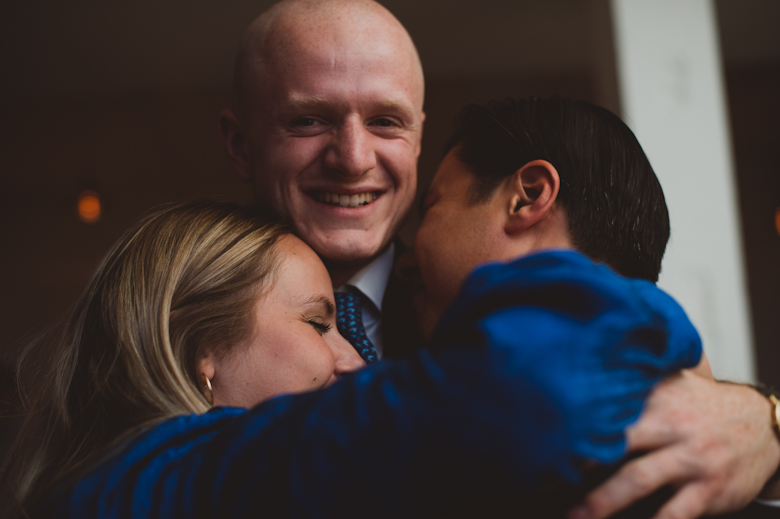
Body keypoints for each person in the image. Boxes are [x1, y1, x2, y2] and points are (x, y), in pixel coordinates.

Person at [218, 1, 780, 516]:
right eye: (308, 120)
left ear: (416, 139)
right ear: (240, 144)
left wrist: (763, 419)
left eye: (386, 121)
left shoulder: (474, 309)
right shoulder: (173, 306)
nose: (353, 158)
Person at [0, 200, 699, 519]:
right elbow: (537, 383)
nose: (354, 361)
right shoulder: (178, 475)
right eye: (316, 321)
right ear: (195, 343)